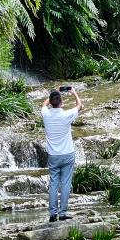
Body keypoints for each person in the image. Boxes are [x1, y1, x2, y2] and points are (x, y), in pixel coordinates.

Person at [41, 87, 83, 223]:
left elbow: (44, 104)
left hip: (53, 155)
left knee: (53, 184)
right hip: (67, 154)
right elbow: (79, 105)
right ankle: (63, 213)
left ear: (51, 102)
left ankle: (53, 214)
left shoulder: (45, 114)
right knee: (65, 184)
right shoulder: (66, 115)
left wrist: (55, 92)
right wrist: (74, 92)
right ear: (62, 102)